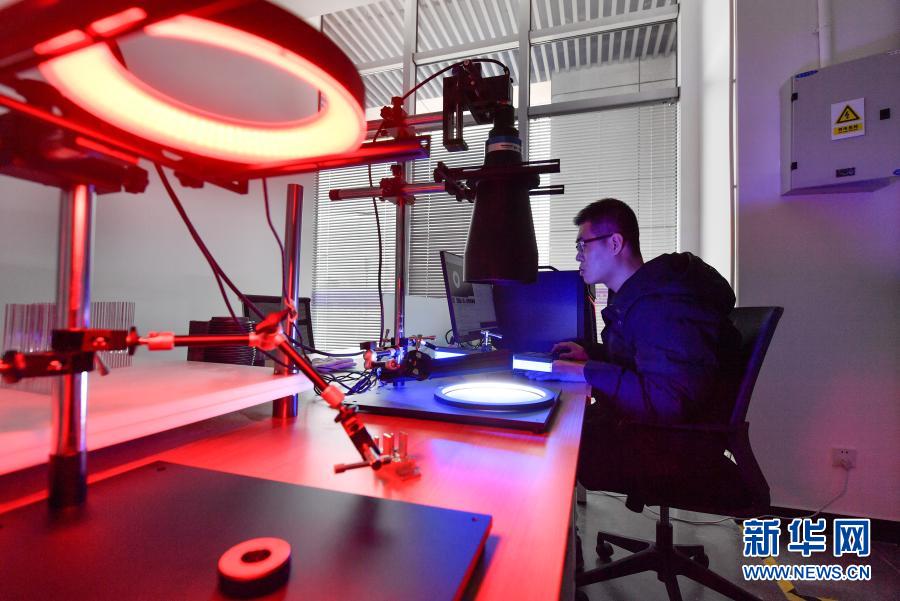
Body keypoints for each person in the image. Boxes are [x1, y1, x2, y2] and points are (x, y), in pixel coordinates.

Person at [526, 198, 741, 490]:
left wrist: (587, 372)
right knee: (558, 420)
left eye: (583, 245)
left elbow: (668, 401)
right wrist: (591, 355)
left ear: (615, 243)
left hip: (669, 446)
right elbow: (645, 361)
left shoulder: (662, 305)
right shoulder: (640, 298)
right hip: (651, 430)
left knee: (546, 436)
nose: (578, 256)